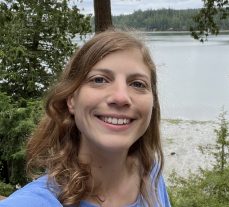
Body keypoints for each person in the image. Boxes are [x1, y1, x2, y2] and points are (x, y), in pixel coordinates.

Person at [0, 30, 171, 207]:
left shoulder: (150, 176)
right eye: (99, 80)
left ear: (153, 103)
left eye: (137, 84)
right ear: (71, 99)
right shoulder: (37, 201)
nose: (121, 97)